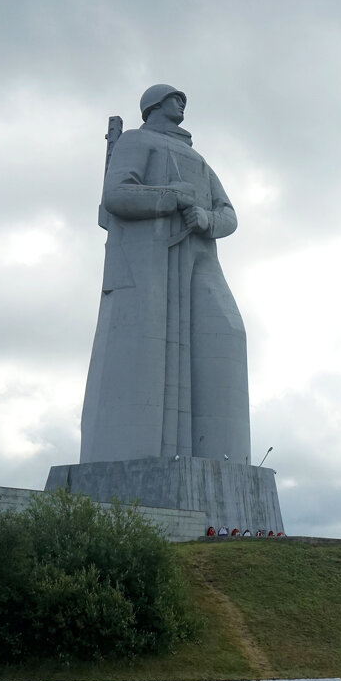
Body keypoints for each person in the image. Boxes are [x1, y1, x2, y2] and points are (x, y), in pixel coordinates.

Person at [80, 85, 250, 465]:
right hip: (149, 262)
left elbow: (229, 214)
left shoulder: (200, 160)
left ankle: (223, 463)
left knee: (228, 333)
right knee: (146, 351)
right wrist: (171, 196)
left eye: (184, 99)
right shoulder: (136, 142)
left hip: (200, 258)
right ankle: (135, 457)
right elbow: (116, 195)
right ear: (153, 106)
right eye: (176, 98)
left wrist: (206, 218)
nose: (183, 103)